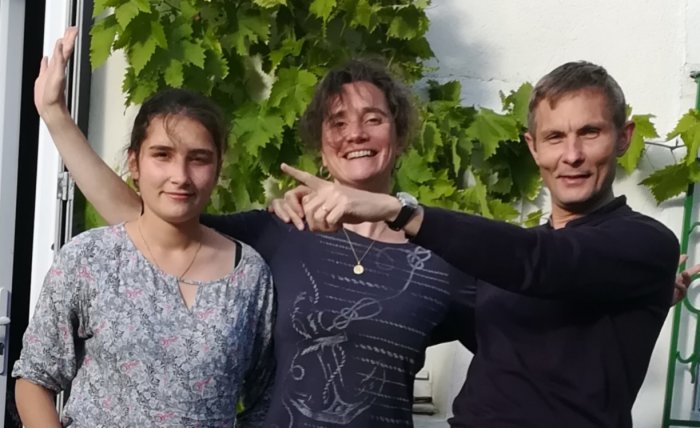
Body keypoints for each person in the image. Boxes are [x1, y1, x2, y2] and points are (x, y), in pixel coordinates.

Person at [31, 28, 477, 427]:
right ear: (320, 144)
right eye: (337, 122)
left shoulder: (438, 257)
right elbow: (147, 219)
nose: (355, 133)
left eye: (373, 119)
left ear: (399, 133)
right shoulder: (282, 232)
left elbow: (508, 342)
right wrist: (55, 117)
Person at [277, 61, 681, 427]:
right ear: (533, 147)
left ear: (623, 137)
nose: (571, 155)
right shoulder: (503, 261)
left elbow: (544, 263)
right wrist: (294, 230)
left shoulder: (645, 242)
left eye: (590, 133)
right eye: (555, 137)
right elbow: (405, 312)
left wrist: (400, 212)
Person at [13, 28, 274, 427]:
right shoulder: (91, 258)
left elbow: (264, 397)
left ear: (218, 167)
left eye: (198, 159)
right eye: (162, 155)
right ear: (134, 163)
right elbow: (34, 378)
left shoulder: (249, 275)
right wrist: (53, 113)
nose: (180, 176)